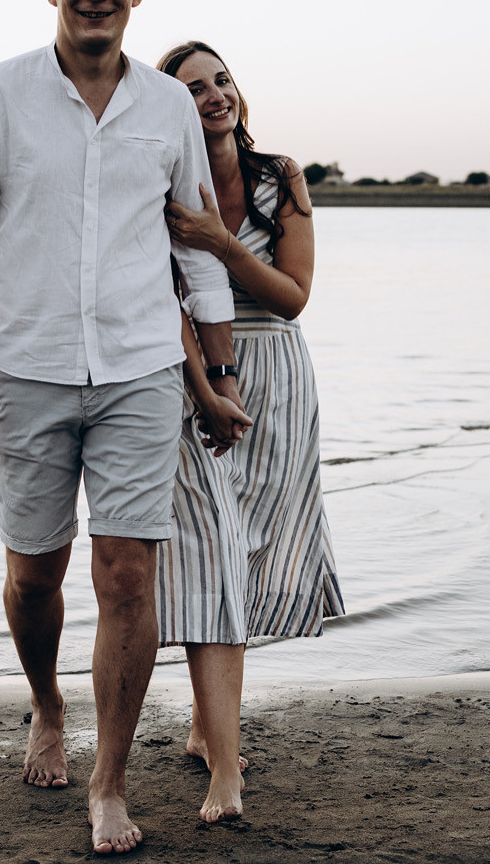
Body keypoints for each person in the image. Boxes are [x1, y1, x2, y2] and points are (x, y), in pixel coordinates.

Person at [0, 0, 247, 855]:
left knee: (127, 574)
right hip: (26, 368)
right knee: (33, 575)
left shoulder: (167, 105)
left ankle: (110, 780)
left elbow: (199, 247)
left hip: (141, 371)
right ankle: (46, 702)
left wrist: (218, 376)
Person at [156, 41, 345, 824]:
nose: (214, 96)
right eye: (193, 89)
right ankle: (222, 756)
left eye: (222, 80)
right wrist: (204, 384)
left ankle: (210, 726)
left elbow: (294, 295)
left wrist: (222, 243)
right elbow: (165, 297)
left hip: (278, 373)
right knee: (210, 549)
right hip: (196, 376)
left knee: (255, 547)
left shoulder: (281, 175)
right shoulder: (161, 185)